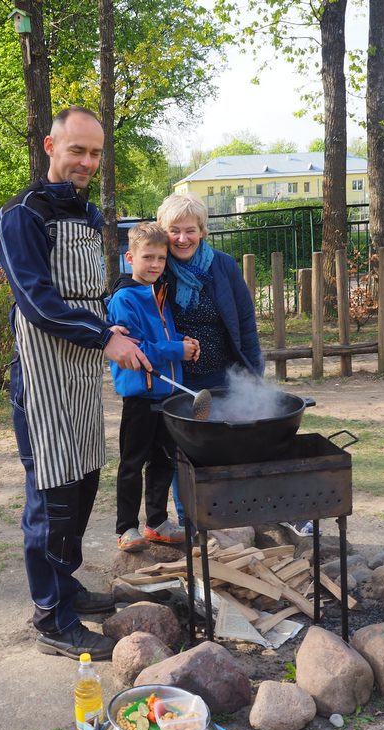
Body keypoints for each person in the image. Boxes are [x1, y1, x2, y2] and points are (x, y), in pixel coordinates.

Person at [0, 106, 151, 661]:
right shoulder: (22, 216)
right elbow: (39, 303)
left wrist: (109, 323)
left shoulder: (87, 215)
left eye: (95, 153)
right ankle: (50, 618)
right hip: (43, 374)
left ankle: (67, 587)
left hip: (80, 373)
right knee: (52, 496)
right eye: (77, 150)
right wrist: (102, 336)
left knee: (83, 480)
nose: (87, 161)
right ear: (50, 146)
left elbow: (84, 293)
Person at [156, 194, 311, 536]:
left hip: (224, 375)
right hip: (179, 381)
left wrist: (254, 377)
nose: (182, 238)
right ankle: (191, 521)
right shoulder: (158, 266)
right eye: (174, 230)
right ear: (163, 232)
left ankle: (243, 515)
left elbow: (244, 322)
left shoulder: (222, 266)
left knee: (242, 445)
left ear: (202, 231)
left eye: (190, 230)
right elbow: (131, 295)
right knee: (185, 452)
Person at [107, 222, 200, 553]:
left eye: (161, 258)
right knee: (132, 463)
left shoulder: (159, 292)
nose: (156, 264)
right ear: (130, 258)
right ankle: (126, 528)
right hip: (140, 397)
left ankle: (157, 523)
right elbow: (137, 349)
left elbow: (163, 337)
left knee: (164, 460)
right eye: (148, 257)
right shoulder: (124, 299)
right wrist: (177, 350)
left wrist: (183, 342)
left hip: (169, 394)